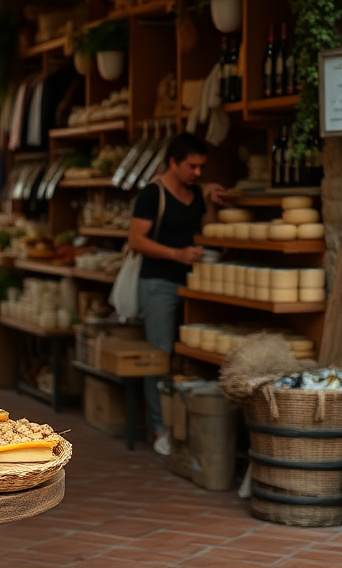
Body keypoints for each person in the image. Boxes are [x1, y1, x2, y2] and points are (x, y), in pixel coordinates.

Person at [127, 132, 225, 456]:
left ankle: (184, 422)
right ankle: (159, 427)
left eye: (201, 167)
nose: (198, 172)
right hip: (159, 282)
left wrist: (211, 200)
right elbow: (136, 241)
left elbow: (204, 229)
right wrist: (176, 254)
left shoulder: (195, 193)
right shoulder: (152, 194)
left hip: (193, 284)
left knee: (188, 353)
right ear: (173, 162)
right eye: (192, 166)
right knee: (160, 355)